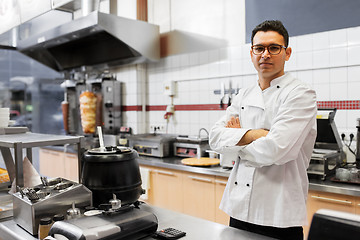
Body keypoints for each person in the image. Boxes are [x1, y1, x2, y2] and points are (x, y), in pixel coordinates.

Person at [209, 20, 317, 240]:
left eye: (273, 48)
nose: (265, 54)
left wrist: (236, 141)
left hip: (278, 211)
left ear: (287, 53)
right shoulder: (243, 94)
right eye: (259, 48)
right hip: (238, 207)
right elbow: (215, 138)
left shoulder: (301, 93)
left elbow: (275, 149)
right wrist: (257, 134)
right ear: (251, 53)